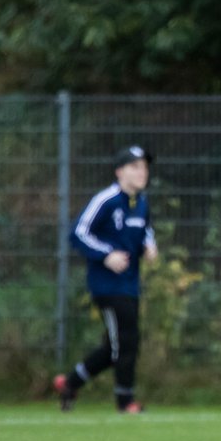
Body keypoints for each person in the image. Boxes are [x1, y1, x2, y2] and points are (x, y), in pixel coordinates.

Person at [53, 145, 158, 413]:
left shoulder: (141, 203)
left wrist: (150, 246)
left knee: (117, 346)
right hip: (107, 286)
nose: (141, 172)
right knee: (126, 343)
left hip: (130, 284)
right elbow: (78, 232)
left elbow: (145, 231)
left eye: (144, 167)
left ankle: (70, 382)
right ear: (119, 171)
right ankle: (126, 401)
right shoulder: (106, 199)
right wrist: (107, 255)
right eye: (135, 167)